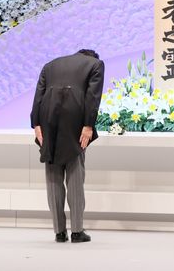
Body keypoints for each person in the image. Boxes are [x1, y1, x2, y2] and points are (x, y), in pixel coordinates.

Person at [30, 49, 105, 243]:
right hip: (75, 115)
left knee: (52, 170)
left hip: (47, 114)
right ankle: (77, 231)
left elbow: (38, 95)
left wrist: (35, 123)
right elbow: (92, 97)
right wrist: (88, 125)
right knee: (75, 170)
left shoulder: (51, 64)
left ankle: (59, 231)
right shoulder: (95, 64)